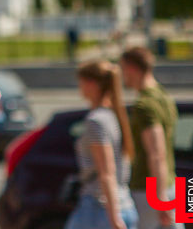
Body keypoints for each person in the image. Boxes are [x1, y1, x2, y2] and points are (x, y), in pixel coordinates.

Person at [67, 60, 138, 229]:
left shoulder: (96, 121)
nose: (80, 87)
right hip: (124, 203)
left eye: (81, 82)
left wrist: (114, 218)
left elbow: (106, 172)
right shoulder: (114, 116)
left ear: (92, 84)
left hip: (100, 207)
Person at [119, 46, 180, 228]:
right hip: (172, 180)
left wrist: (160, 198)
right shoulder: (164, 96)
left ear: (131, 68)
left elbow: (156, 152)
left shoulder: (144, 104)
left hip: (150, 188)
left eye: (123, 69)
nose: (123, 76)